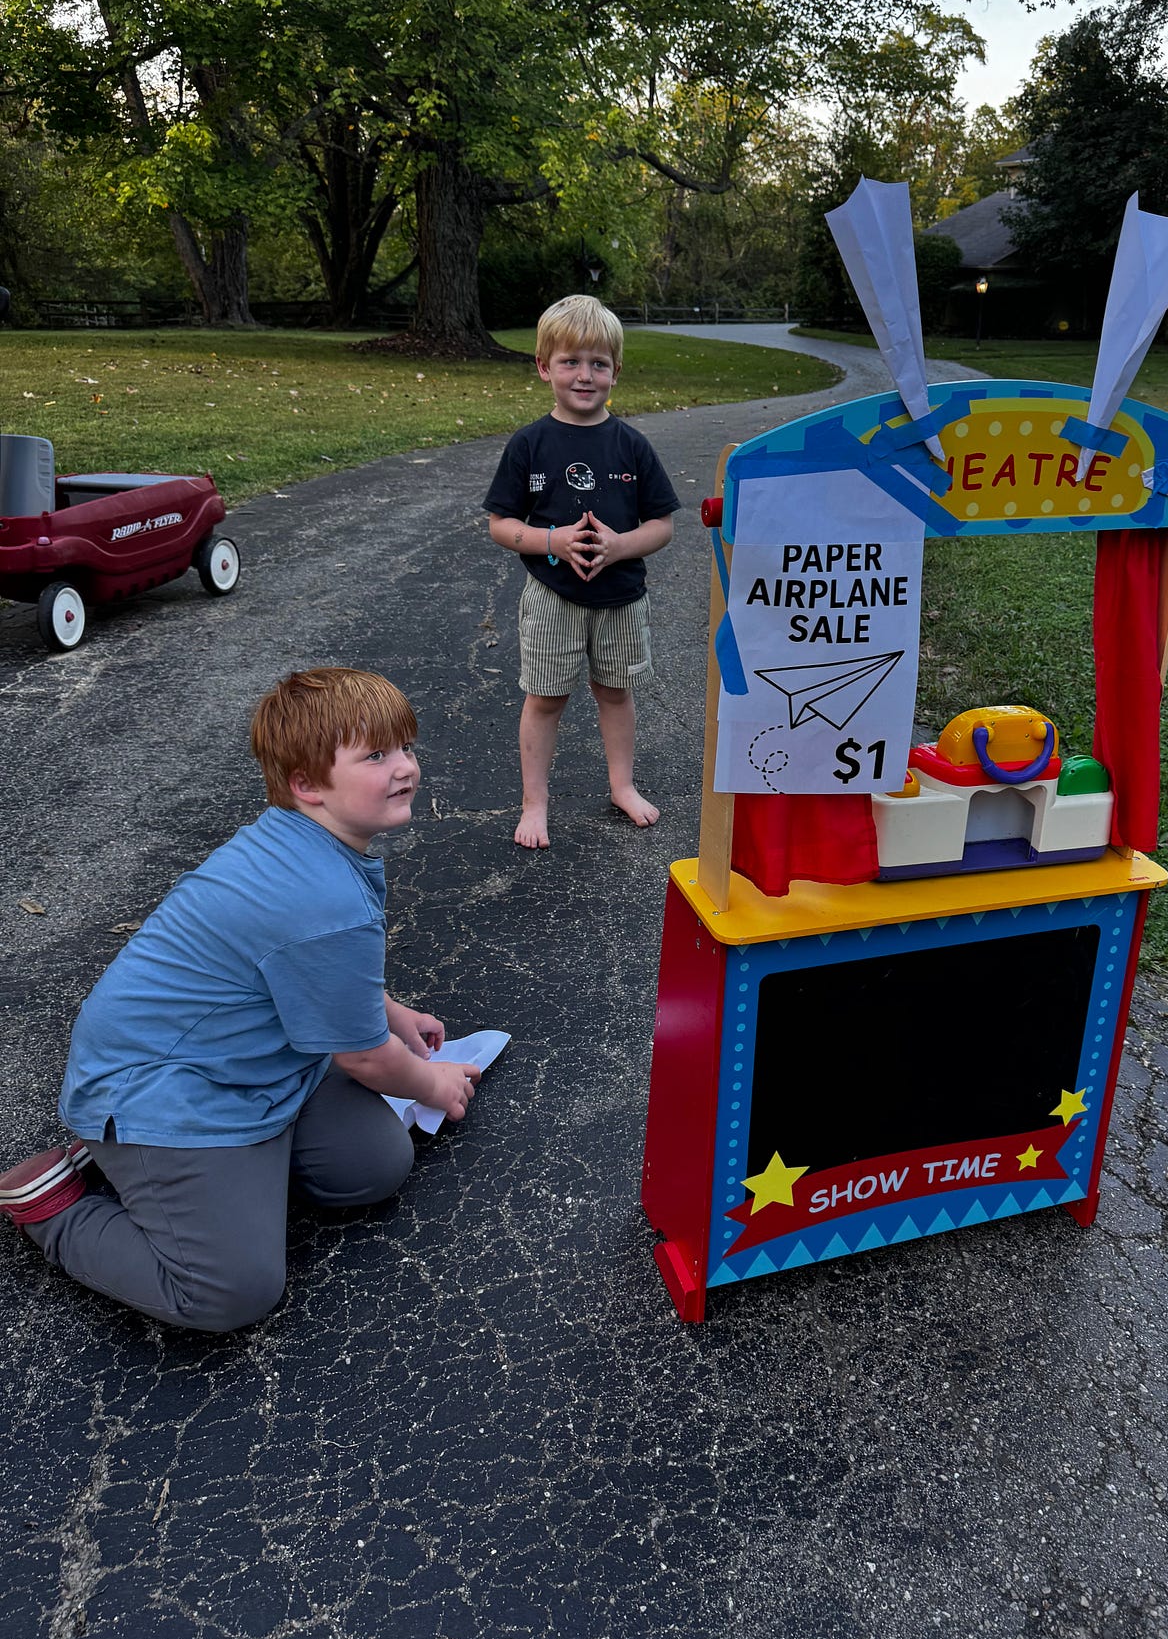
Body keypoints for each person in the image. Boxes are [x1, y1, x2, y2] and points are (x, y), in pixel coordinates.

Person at [0, 667, 482, 1333]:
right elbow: (367, 1059)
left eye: (405, 746)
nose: (404, 767)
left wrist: (391, 1011)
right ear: (306, 784)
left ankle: (187, 1177)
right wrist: (431, 1081)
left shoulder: (306, 839)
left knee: (373, 1165)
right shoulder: (324, 893)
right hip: (158, 1087)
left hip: (248, 1061)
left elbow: (309, 966)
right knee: (233, 1290)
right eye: (375, 755)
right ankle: (64, 1200)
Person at [484, 294, 680, 849]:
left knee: (615, 691)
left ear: (616, 370)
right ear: (544, 366)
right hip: (552, 595)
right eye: (570, 362)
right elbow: (501, 524)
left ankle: (622, 785)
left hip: (621, 594)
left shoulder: (632, 446)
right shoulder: (529, 444)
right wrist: (552, 540)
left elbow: (661, 526)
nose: (585, 375)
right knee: (545, 698)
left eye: (598, 364)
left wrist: (619, 546)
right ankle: (535, 803)